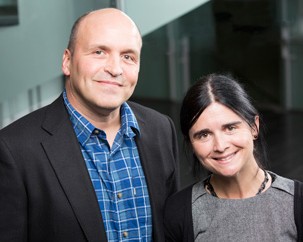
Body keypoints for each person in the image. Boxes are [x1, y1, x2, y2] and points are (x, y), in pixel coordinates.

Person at [0, 8, 179, 242]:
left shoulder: (161, 129)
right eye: (99, 52)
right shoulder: (15, 149)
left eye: (128, 57)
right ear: (67, 61)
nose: (115, 69)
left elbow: (174, 229)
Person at [164, 73, 301, 241]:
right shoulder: (178, 212)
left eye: (230, 128)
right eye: (204, 135)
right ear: (191, 143)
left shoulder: (296, 202)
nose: (220, 146)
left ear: (254, 127)